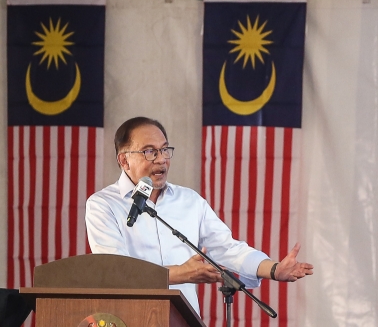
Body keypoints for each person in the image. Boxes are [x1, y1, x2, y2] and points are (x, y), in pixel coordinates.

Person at [86, 117, 313, 315]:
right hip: (130, 326)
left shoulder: (189, 201)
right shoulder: (103, 205)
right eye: (149, 151)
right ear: (124, 160)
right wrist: (177, 274)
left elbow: (226, 249)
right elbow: (115, 272)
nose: (161, 159)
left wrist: (273, 269)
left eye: (165, 149)